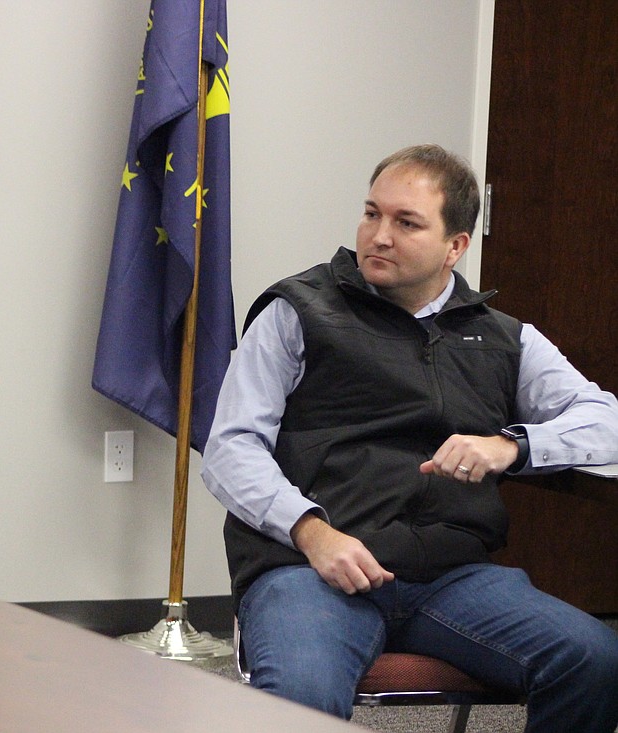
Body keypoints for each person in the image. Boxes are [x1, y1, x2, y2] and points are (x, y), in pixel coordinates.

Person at [202, 144, 618, 731]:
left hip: (449, 576)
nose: (379, 235)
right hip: (313, 570)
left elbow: (606, 419)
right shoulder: (299, 311)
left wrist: (513, 447)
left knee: (593, 659)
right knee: (301, 693)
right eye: (372, 213)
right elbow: (230, 448)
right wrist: (312, 532)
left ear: (457, 246)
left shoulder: (501, 338)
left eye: (406, 223)